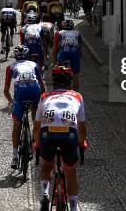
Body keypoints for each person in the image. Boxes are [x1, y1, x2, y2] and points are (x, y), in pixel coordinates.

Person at [33, 65, 87, 211]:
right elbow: (82, 126)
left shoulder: (45, 97)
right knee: (71, 172)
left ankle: (44, 194)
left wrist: (37, 143)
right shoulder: (77, 96)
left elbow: (37, 126)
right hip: (69, 133)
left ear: (53, 81)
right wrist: (82, 143)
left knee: (46, 166)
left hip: (47, 132)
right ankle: (74, 207)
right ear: (70, 81)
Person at [3, 45, 44, 169]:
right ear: (28, 55)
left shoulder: (10, 67)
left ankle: (15, 157)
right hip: (34, 91)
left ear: (15, 56)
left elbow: (6, 91)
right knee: (35, 119)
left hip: (20, 94)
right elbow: (41, 86)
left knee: (17, 124)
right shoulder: (35, 65)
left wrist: (11, 102)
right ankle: (34, 142)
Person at [53, 20, 82, 91]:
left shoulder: (59, 33)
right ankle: (75, 93)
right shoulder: (77, 33)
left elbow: (55, 47)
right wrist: (79, 56)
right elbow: (80, 47)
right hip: (74, 52)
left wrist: (54, 61)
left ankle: (60, 89)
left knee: (60, 71)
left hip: (64, 51)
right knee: (75, 74)